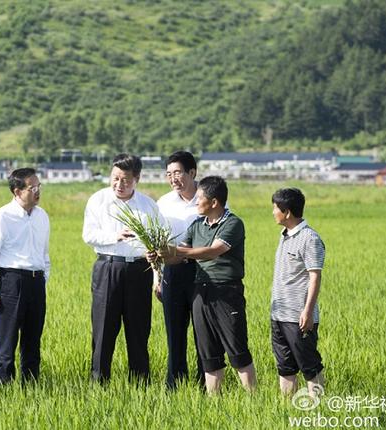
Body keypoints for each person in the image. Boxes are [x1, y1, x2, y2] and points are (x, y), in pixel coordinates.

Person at [159, 176, 256, 394]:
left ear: (214, 202)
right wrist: (159, 256)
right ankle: (214, 402)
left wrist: (174, 250)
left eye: (199, 198)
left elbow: (212, 251)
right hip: (200, 293)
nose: (196, 203)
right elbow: (179, 258)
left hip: (225, 291)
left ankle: (254, 401)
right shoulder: (196, 225)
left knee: (237, 351)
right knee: (209, 355)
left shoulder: (233, 223)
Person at [82, 153, 158, 383]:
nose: (119, 184)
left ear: (137, 179)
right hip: (108, 268)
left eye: (125, 179)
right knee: (103, 331)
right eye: (115, 178)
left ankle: (140, 385)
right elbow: (89, 235)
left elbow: (156, 240)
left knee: (138, 331)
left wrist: (157, 273)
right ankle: (99, 384)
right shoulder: (98, 200)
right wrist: (114, 236)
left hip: (139, 270)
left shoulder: (148, 205)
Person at [0, 168, 50, 384]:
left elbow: (44, 253)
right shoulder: (1, 217)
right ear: (17, 191)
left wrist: (44, 278)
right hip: (11, 281)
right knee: (8, 342)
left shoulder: (42, 216)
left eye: (39, 186)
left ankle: (30, 387)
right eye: (32, 188)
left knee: (32, 341)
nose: (37, 191)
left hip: (36, 282)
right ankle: (4, 389)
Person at [271, 188, 325, 397]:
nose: (273, 212)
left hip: (298, 316)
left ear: (287, 212)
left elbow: (315, 276)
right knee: (285, 366)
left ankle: (319, 407)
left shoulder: (310, 238)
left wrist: (308, 312)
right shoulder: (284, 235)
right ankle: (287, 410)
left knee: (310, 366)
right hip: (279, 314)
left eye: (275, 208)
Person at [155, 151, 204, 388]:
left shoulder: (209, 199)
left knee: (203, 331)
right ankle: (175, 383)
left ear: (192, 173)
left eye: (178, 173)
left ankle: (206, 382)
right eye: (169, 174)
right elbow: (154, 243)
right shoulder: (163, 203)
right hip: (172, 273)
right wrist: (157, 277)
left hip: (202, 272)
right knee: (174, 331)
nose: (173, 178)